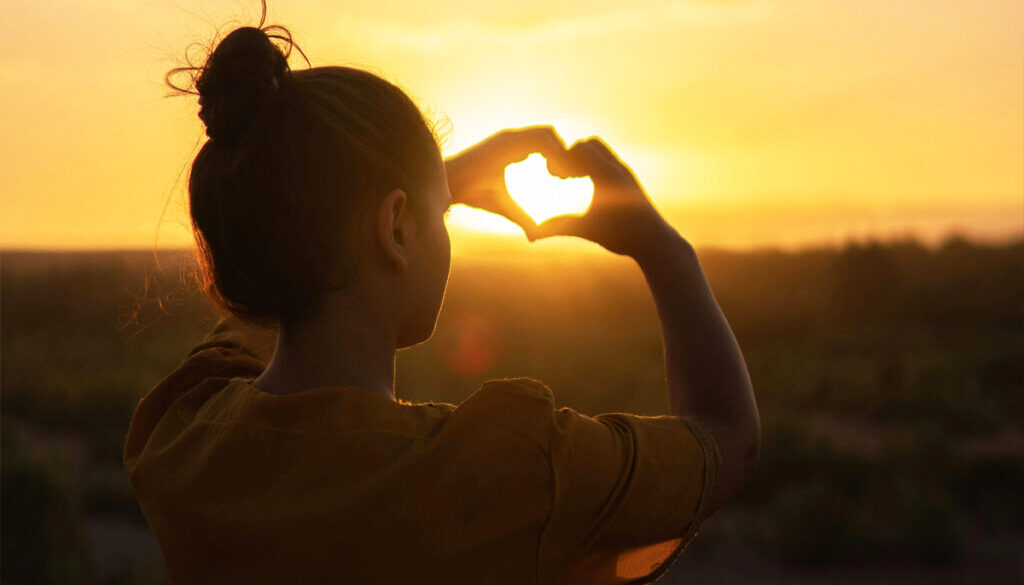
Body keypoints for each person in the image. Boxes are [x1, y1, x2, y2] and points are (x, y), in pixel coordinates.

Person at [123, 13, 760, 585]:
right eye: (442, 216)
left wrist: (421, 188)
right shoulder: (510, 470)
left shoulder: (182, 436)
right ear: (396, 228)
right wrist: (664, 247)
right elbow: (727, 437)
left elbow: (285, 271)